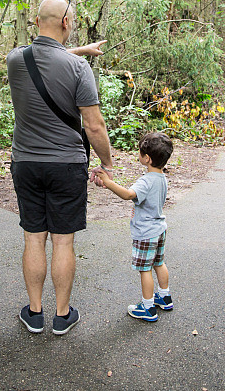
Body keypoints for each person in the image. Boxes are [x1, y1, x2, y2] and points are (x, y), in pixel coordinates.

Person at [6, 0, 115, 335]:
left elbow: (47, 59)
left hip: (25, 163)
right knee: (63, 242)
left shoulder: (15, 60)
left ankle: (35, 313)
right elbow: (94, 126)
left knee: (34, 239)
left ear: (37, 22)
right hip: (67, 166)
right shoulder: (78, 69)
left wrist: (82, 50)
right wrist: (107, 162)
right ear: (67, 23)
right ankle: (62, 315)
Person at [93, 132, 174, 322]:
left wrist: (108, 182)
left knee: (145, 269)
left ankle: (147, 308)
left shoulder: (146, 181)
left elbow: (129, 195)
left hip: (145, 233)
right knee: (159, 263)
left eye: (140, 151)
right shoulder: (162, 178)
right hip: (159, 229)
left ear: (147, 158)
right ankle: (164, 297)